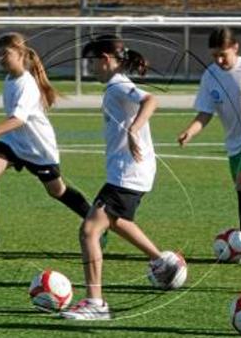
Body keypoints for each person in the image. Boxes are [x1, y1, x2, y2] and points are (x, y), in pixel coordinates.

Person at [61, 35, 175, 320]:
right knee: (116, 220)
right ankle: (161, 262)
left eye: (91, 63)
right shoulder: (116, 85)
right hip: (130, 171)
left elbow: (151, 100)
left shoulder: (119, 85)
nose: (90, 70)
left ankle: (96, 303)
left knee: (89, 231)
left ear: (106, 60)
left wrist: (134, 130)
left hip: (129, 173)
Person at [0, 32, 95, 253]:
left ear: (20, 53)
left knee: (57, 191)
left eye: (5, 53)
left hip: (38, 149)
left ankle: (95, 222)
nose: (1, 58)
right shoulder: (9, 80)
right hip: (15, 143)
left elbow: (18, 119)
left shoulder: (27, 84)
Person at [177, 27, 241, 258]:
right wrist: (190, 131)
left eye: (223, 54)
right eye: (215, 55)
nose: (219, 60)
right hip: (235, 143)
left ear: (235, 47)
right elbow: (205, 112)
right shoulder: (210, 76)